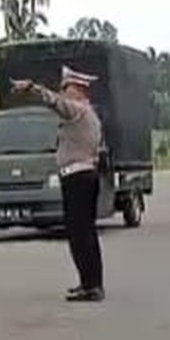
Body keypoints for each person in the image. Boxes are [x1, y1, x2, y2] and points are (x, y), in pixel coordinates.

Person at [11, 66, 105, 302]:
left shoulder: (76, 110)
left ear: (76, 89)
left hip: (77, 177)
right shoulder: (91, 114)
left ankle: (91, 285)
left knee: (79, 233)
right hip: (86, 175)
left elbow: (53, 102)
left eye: (65, 88)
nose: (63, 92)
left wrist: (32, 87)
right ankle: (90, 282)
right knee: (86, 233)